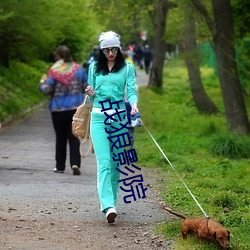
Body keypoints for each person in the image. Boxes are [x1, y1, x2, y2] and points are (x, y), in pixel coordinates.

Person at [85, 31, 138, 223]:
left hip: (119, 119)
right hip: (98, 118)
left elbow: (131, 90)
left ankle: (112, 201)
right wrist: (90, 92)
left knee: (117, 164)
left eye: (114, 49)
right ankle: (107, 205)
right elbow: (91, 97)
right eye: (106, 50)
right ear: (101, 50)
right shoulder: (93, 68)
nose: (110, 53)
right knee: (105, 163)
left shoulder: (127, 68)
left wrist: (133, 104)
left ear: (119, 48)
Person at [39, 45, 88, 175]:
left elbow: (47, 90)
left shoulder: (54, 71)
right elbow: (86, 87)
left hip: (58, 109)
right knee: (74, 137)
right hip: (75, 109)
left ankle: (60, 166)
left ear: (58, 57)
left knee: (60, 138)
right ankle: (75, 163)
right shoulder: (79, 70)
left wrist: (42, 83)